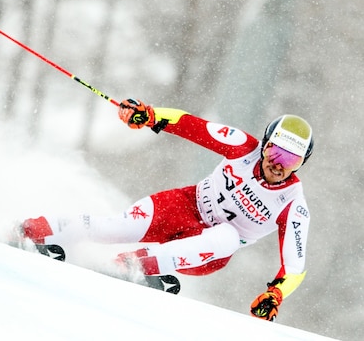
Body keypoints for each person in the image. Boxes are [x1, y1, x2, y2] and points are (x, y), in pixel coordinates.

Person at [17, 98, 313, 322]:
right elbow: (189, 124)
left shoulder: (293, 204)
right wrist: (149, 115)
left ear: (301, 164)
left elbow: (295, 267)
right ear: (264, 145)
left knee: (228, 236)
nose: (278, 164)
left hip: (210, 250)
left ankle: (133, 265)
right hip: (184, 206)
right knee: (115, 227)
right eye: (275, 151)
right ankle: (29, 231)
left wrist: (275, 295)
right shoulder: (242, 147)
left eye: (291, 160)